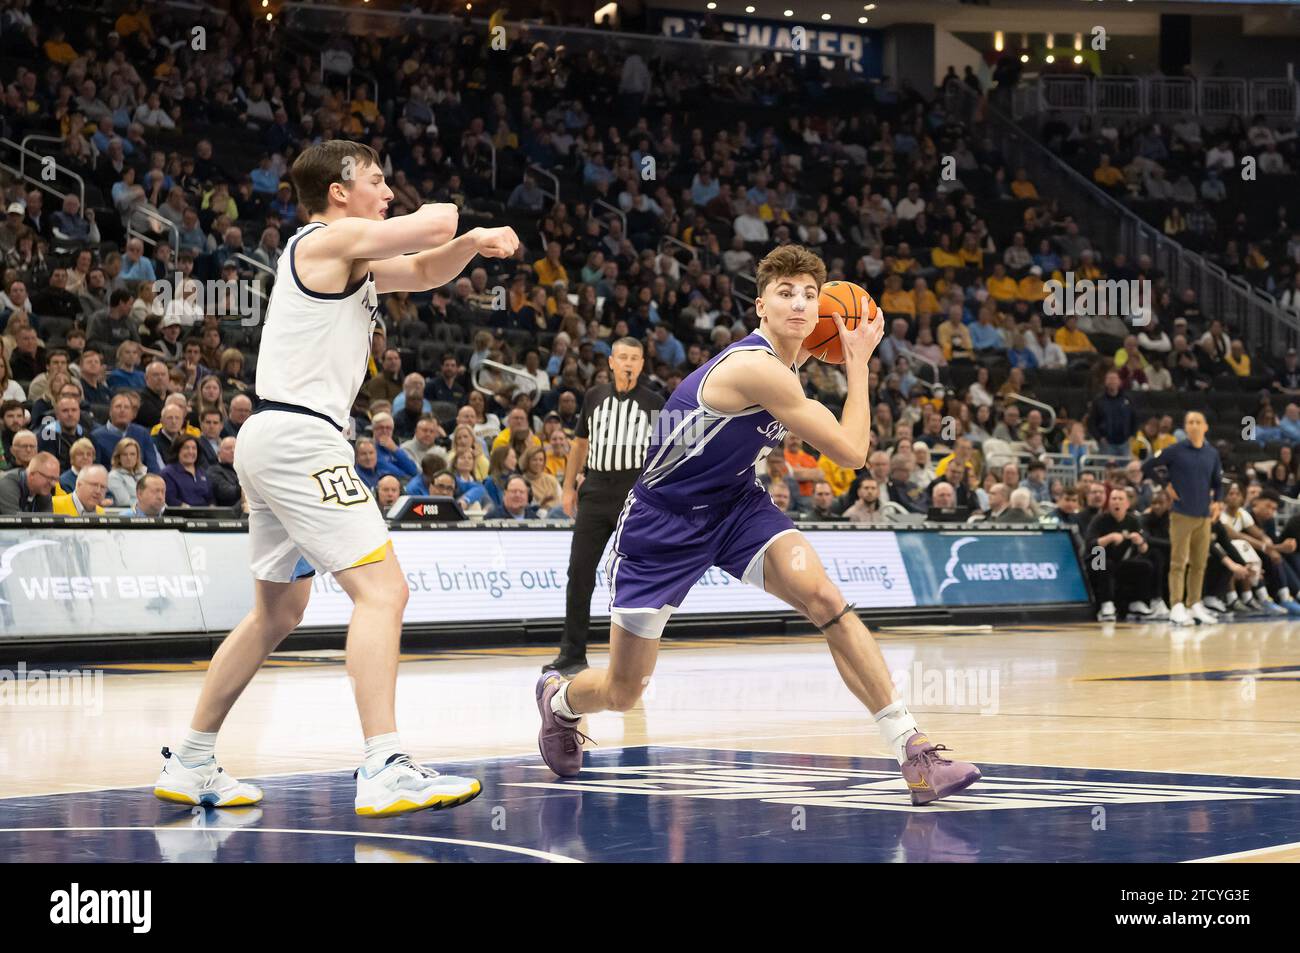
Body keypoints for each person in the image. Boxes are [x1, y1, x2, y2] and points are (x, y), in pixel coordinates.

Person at [535, 244, 980, 804]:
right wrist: (860, 362)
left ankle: (912, 750)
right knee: (624, 691)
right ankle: (559, 700)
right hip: (662, 525)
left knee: (824, 598)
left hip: (737, 506)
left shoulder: (791, 370)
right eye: (785, 292)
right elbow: (851, 451)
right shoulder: (755, 368)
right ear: (760, 308)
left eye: (811, 295)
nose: (799, 304)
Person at [155, 140, 519, 816]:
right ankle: (383, 763)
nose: (388, 192)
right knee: (384, 590)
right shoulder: (327, 237)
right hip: (300, 438)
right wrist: (471, 223)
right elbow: (431, 226)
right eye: (379, 180)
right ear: (341, 188)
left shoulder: (350, 257)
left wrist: (469, 245)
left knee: (277, 612)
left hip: (272, 437)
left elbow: (425, 264)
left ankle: (193, 757)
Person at [547, 337, 662, 674]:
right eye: (622, 357)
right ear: (611, 362)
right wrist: (568, 487)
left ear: (642, 364)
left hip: (634, 492)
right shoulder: (594, 397)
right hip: (595, 489)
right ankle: (572, 653)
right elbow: (580, 444)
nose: (628, 363)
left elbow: (671, 451)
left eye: (635, 358)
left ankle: (632, 657)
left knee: (634, 577)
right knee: (579, 571)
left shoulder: (656, 403)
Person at [1141, 410, 1222, 627]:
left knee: (1200, 563)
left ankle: (1194, 603)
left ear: (1205, 427)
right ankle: (1176, 604)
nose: (1194, 425)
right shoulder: (1175, 451)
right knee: (1179, 562)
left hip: (1204, 516)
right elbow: (1147, 466)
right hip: (1181, 514)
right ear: (1185, 428)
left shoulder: (1212, 454)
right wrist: (1166, 484)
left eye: (1198, 421)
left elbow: (1217, 482)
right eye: (1190, 422)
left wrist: (1217, 501)